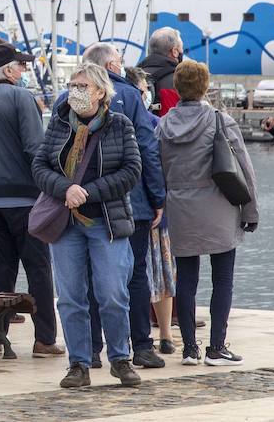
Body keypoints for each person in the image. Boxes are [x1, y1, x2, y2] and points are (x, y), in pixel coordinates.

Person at [33, 61, 143, 389]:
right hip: (65, 222)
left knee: (112, 292)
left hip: (105, 221)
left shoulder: (119, 125)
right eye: (72, 85)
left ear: (99, 91)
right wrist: (65, 189)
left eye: (82, 86)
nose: (75, 92)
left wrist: (88, 192)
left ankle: (120, 358)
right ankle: (78, 364)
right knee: (70, 297)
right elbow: (39, 166)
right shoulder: (58, 123)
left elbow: (131, 170)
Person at [0, 42, 63, 359]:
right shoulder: (22, 97)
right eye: (21, 65)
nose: (25, 70)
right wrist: (53, 182)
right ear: (7, 69)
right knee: (38, 269)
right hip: (25, 198)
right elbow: (36, 148)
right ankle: (44, 339)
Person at [158, 60, 259, 367]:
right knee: (223, 279)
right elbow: (244, 168)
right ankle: (217, 347)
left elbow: (156, 170)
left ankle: (189, 348)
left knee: (186, 279)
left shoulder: (162, 126)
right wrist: (250, 210)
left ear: (177, 88)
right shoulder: (220, 121)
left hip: (179, 208)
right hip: (218, 207)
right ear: (205, 87)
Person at [78, 43, 167, 371]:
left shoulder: (72, 96)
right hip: (132, 202)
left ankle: (90, 349)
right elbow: (147, 148)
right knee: (134, 273)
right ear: (112, 66)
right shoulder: (130, 97)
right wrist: (158, 197)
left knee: (90, 273)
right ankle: (141, 346)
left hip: (87, 201)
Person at [126, 65, 177, 354]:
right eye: (146, 91)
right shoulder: (152, 123)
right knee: (160, 272)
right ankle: (166, 335)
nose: (149, 95)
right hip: (151, 208)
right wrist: (160, 200)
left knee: (133, 273)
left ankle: (129, 334)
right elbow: (156, 164)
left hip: (130, 210)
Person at [138, 27, 184, 118]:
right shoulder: (179, 80)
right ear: (175, 52)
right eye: (181, 49)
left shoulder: (135, 76)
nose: (182, 52)